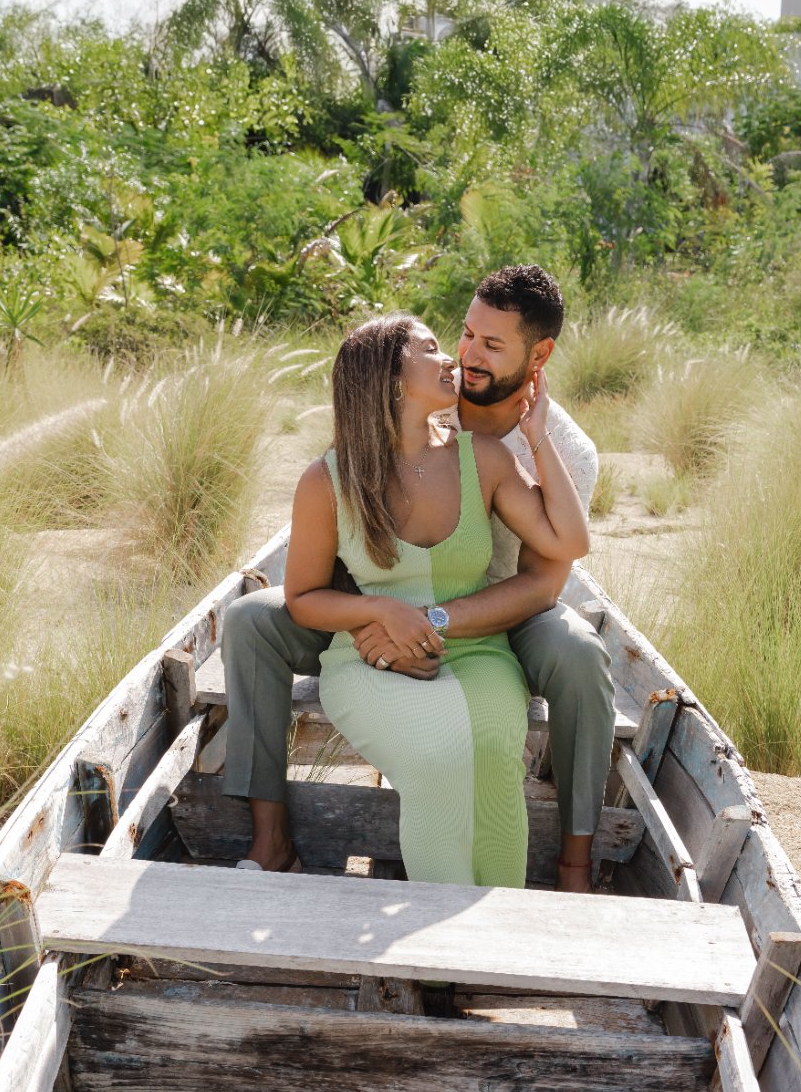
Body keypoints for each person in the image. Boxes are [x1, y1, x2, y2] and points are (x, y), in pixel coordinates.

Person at [224, 264, 613, 890]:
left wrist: (428, 623)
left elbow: (545, 581)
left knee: (578, 653)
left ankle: (574, 862)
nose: (465, 357)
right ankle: (270, 838)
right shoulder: (424, 402)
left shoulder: (561, 450)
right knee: (249, 621)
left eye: (491, 345)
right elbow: (338, 537)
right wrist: (380, 617)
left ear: (539, 354)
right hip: (372, 602)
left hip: (504, 616)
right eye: (463, 336)